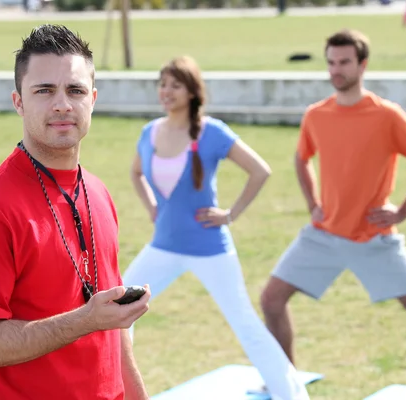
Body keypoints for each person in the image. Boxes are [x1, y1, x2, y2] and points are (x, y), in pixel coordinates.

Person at [259, 29, 406, 400]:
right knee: (271, 299)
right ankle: (287, 383)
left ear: (362, 65)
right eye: (331, 62)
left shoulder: (386, 115)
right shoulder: (316, 115)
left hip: (373, 236)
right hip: (323, 234)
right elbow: (301, 157)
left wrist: (402, 210)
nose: (336, 70)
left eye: (344, 62)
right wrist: (312, 201)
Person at [0, 24, 151, 400]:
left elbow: (114, 331)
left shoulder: (99, 192)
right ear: (18, 101)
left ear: (92, 99)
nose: (62, 104)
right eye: (44, 90)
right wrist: (85, 320)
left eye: (74, 90)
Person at [122, 55, 310, 400]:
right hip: (163, 246)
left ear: (192, 91)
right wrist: (152, 207)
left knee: (247, 326)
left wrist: (230, 213)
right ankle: (116, 389)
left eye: (175, 85)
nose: (166, 91)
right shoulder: (150, 132)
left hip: (210, 249)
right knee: (119, 311)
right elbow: (135, 172)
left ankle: (292, 395)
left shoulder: (212, 132)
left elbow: (260, 170)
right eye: (163, 84)